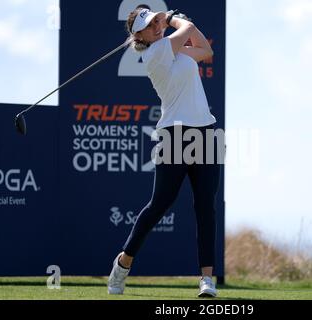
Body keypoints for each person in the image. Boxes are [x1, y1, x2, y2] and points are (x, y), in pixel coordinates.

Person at [107, 7, 222, 298]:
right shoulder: (154, 53)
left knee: (205, 207)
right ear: (139, 36)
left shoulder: (177, 51)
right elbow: (188, 28)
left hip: (205, 132)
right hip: (174, 134)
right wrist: (173, 19)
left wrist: (175, 22)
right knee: (159, 204)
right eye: (151, 24)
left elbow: (205, 49)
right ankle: (123, 263)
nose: (157, 26)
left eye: (157, 21)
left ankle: (207, 280)